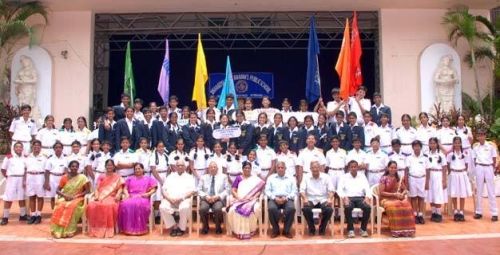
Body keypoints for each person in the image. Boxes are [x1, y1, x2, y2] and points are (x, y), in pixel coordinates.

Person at [50, 160, 91, 238]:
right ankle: (58, 230)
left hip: (78, 198)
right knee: (59, 205)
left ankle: (69, 230)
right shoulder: (64, 177)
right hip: (65, 197)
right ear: (69, 167)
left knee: (72, 206)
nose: (74, 168)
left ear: (78, 168)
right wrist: (65, 195)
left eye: (76, 166)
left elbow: (87, 190)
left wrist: (76, 196)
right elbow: (57, 190)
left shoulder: (83, 177)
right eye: (72, 166)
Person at [227, 161, 265, 239]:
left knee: (255, 208)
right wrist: (238, 198)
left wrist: (254, 197)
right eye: (245, 168)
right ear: (242, 169)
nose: (247, 169)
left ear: (251, 169)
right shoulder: (238, 178)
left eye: (248, 168)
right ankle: (238, 231)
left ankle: (251, 230)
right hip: (240, 200)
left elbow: (259, 191)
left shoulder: (255, 179)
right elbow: (233, 190)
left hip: (252, 200)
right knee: (233, 210)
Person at [86, 159, 124, 238]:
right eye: (108, 165)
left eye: (111, 165)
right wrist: (96, 196)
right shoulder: (101, 176)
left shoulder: (118, 177)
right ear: (105, 166)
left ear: (114, 167)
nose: (109, 166)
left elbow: (120, 188)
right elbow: (97, 188)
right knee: (91, 205)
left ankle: (108, 229)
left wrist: (118, 194)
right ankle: (96, 228)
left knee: (108, 205)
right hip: (100, 195)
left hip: (112, 196)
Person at [118, 163, 157, 235]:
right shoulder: (130, 178)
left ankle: (139, 228)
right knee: (124, 204)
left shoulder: (148, 179)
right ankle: (127, 228)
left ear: (143, 169)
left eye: (139, 168)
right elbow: (125, 188)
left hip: (143, 197)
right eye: (136, 169)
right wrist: (126, 194)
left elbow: (154, 188)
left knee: (137, 204)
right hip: (131, 196)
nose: (137, 170)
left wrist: (148, 194)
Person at [378, 161, 415, 237]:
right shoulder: (384, 178)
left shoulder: (399, 179)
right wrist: (394, 194)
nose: (393, 169)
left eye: (395, 168)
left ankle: (406, 230)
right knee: (394, 206)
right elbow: (381, 192)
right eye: (391, 167)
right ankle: (396, 230)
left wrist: (402, 194)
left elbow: (405, 189)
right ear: (388, 168)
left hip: (396, 199)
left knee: (407, 205)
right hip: (385, 199)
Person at [160, 159, 196, 237]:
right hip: (170, 199)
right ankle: (174, 226)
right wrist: (169, 199)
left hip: (183, 199)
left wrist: (181, 198)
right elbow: (163, 190)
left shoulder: (189, 177)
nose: (180, 167)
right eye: (178, 165)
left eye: (182, 165)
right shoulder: (170, 176)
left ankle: (181, 228)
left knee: (184, 207)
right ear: (175, 167)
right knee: (162, 207)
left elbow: (192, 191)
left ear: (185, 167)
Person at [337, 160, 372, 238]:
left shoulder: (362, 176)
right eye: (351, 167)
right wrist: (344, 197)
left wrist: (367, 197)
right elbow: (339, 189)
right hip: (349, 198)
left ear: (357, 167)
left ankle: (363, 229)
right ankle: (350, 229)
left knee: (367, 207)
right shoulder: (344, 177)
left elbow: (367, 188)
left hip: (360, 198)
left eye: (355, 166)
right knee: (348, 207)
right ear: (349, 168)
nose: (353, 168)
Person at [300, 161, 334, 236]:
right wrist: (305, 198)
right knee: (306, 209)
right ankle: (311, 228)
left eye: (317, 167)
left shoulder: (326, 177)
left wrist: (329, 198)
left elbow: (331, 190)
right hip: (311, 199)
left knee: (329, 209)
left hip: (323, 199)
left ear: (320, 168)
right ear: (310, 169)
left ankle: (322, 227)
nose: (315, 169)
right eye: (313, 167)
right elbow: (302, 190)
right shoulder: (306, 177)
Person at [265, 161, 297, 238]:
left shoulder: (291, 178)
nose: (280, 169)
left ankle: (286, 231)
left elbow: (294, 191)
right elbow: (267, 190)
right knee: (271, 208)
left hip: (287, 198)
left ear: (285, 168)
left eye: (282, 167)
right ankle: (275, 230)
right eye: (278, 167)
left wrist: (286, 198)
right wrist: (274, 198)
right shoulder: (271, 178)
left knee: (291, 209)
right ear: (276, 169)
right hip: (274, 198)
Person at [472, 129, 498, 222]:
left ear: (485, 135)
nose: (481, 136)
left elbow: (494, 159)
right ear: (477, 136)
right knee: (479, 190)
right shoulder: (475, 147)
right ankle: (478, 212)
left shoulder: (491, 146)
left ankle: (494, 213)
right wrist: (477, 168)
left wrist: (493, 168)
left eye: (482, 134)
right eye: (479, 135)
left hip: (488, 167)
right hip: (479, 167)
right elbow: (474, 160)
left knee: (491, 191)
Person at [0, 142, 28, 225]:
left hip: (21, 178)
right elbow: (3, 169)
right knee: (8, 198)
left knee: (22, 197)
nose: (19, 148)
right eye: (17, 147)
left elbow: (26, 169)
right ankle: (5, 217)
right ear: (14, 148)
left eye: (20, 147)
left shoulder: (25, 158)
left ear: (22, 148)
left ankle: (23, 215)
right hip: (12, 178)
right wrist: (7, 177)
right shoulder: (9, 157)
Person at [198, 162, 228, 234]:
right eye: (211, 167)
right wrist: (206, 196)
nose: (213, 169)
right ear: (208, 169)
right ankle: (205, 226)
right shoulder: (203, 177)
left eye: (214, 167)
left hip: (218, 199)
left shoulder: (223, 177)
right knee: (202, 209)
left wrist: (218, 196)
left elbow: (227, 190)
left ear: (217, 169)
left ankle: (218, 226)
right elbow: (198, 189)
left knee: (217, 209)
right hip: (206, 198)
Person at [447, 136, 472, 221]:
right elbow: (448, 165)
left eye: (458, 142)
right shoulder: (450, 154)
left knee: (462, 193)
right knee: (454, 193)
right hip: (453, 174)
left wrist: (463, 172)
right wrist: (451, 172)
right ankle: (455, 211)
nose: (457, 144)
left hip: (462, 174)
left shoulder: (464, 153)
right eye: (455, 143)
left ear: (461, 143)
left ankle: (461, 211)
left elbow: (467, 165)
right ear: (453, 144)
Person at [406, 140, 428, 224]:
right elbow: (407, 170)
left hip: (422, 179)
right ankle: (415, 214)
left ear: (420, 147)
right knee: (414, 197)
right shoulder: (409, 158)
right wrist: (407, 182)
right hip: (412, 179)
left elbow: (427, 170)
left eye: (418, 146)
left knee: (421, 197)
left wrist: (427, 182)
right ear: (413, 147)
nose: (417, 148)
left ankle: (421, 215)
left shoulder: (425, 158)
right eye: (415, 146)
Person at [425, 137, 448, 223]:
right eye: (431, 143)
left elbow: (444, 167)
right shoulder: (427, 154)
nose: (432, 145)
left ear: (437, 144)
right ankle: (433, 212)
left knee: (438, 194)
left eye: (434, 143)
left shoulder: (441, 154)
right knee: (431, 194)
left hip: (438, 175)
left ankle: (438, 213)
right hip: (430, 175)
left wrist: (444, 180)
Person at [25, 140, 47, 224]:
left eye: (38, 145)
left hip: (40, 177)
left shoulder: (44, 157)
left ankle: (39, 215)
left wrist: (46, 181)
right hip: (30, 177)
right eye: (35, 145)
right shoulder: (28, 156)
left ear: (41, 147)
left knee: (40, 197)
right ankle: (33, 215)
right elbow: (25, 168)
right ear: (32, 146)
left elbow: (46, 170)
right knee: (32, 196)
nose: (36, 147)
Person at [150, 140, 169, 224]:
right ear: (156, 147)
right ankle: (156, 215)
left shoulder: (166, 155)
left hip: (165, 176)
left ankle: (163, 215)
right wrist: (161, 181)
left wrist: (166, 178)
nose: (161, 148)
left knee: (164, 196)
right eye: (159, 146)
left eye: (162, 146)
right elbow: (153, 170)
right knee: (157, 197)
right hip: (156, 177)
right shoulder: (153, 156)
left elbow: (168, 167)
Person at [44, 142, 68, 209]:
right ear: (54, 149)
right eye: (56, 147)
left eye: (60, 147)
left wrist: (66, 181)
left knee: (62, 196)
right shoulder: (50, 159)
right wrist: (46, 183)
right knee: (52, 196)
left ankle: (61, 210)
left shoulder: (66, 159)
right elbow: (47, 172)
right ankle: (53, 211)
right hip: (52, 178)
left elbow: (66, 170)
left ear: (62, 149)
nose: (58, 149)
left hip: (62, 178)